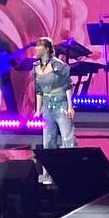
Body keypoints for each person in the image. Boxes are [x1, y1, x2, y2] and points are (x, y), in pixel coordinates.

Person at [29, 37, 76, 184]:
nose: (36, 49)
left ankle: (72, 173)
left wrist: (70, 106)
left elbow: (67, 86)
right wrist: (38, 110)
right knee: (48, 141)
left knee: (68, 139)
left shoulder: (59, 66)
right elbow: (38, 90)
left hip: (61, 104)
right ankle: (48, 175)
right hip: (47, 106)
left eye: (39, 46)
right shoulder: (36, 66)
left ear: (47, 49)